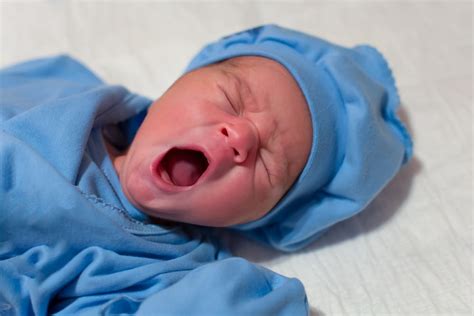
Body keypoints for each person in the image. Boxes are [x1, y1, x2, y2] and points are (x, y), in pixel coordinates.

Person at [0, 24, 412, 314]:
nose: (241, 138)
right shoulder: (60, 93)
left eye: (271, 164)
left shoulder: (165, 271)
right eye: (232, 98)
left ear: (259, 218)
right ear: (177, 84)